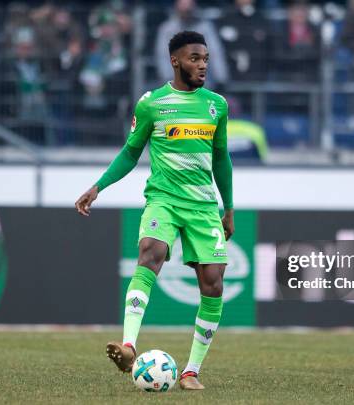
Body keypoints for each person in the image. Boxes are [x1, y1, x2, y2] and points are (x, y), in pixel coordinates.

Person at [75, 31, 234, 391]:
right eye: (195, 58)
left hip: (204, 205)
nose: (203, 65)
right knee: (151, 253)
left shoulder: (216, 106)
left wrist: (229, 209)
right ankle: (129, 345)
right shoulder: (152, 103)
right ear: (175, 61)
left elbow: (222, 159)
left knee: (213, 283)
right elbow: (131, 152)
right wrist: (98, 186)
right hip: (163, 198)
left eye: (206, 58)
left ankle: (191, 371)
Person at [155, 0, 229, 89]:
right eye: (184, 6)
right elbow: (163, 56)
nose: (187, 9)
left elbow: (215, 53)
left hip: (204, 83)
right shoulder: (167, 29)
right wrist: (169, 80)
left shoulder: (205, 27)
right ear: (176, 7)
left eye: (189, 6)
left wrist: (221, 77)